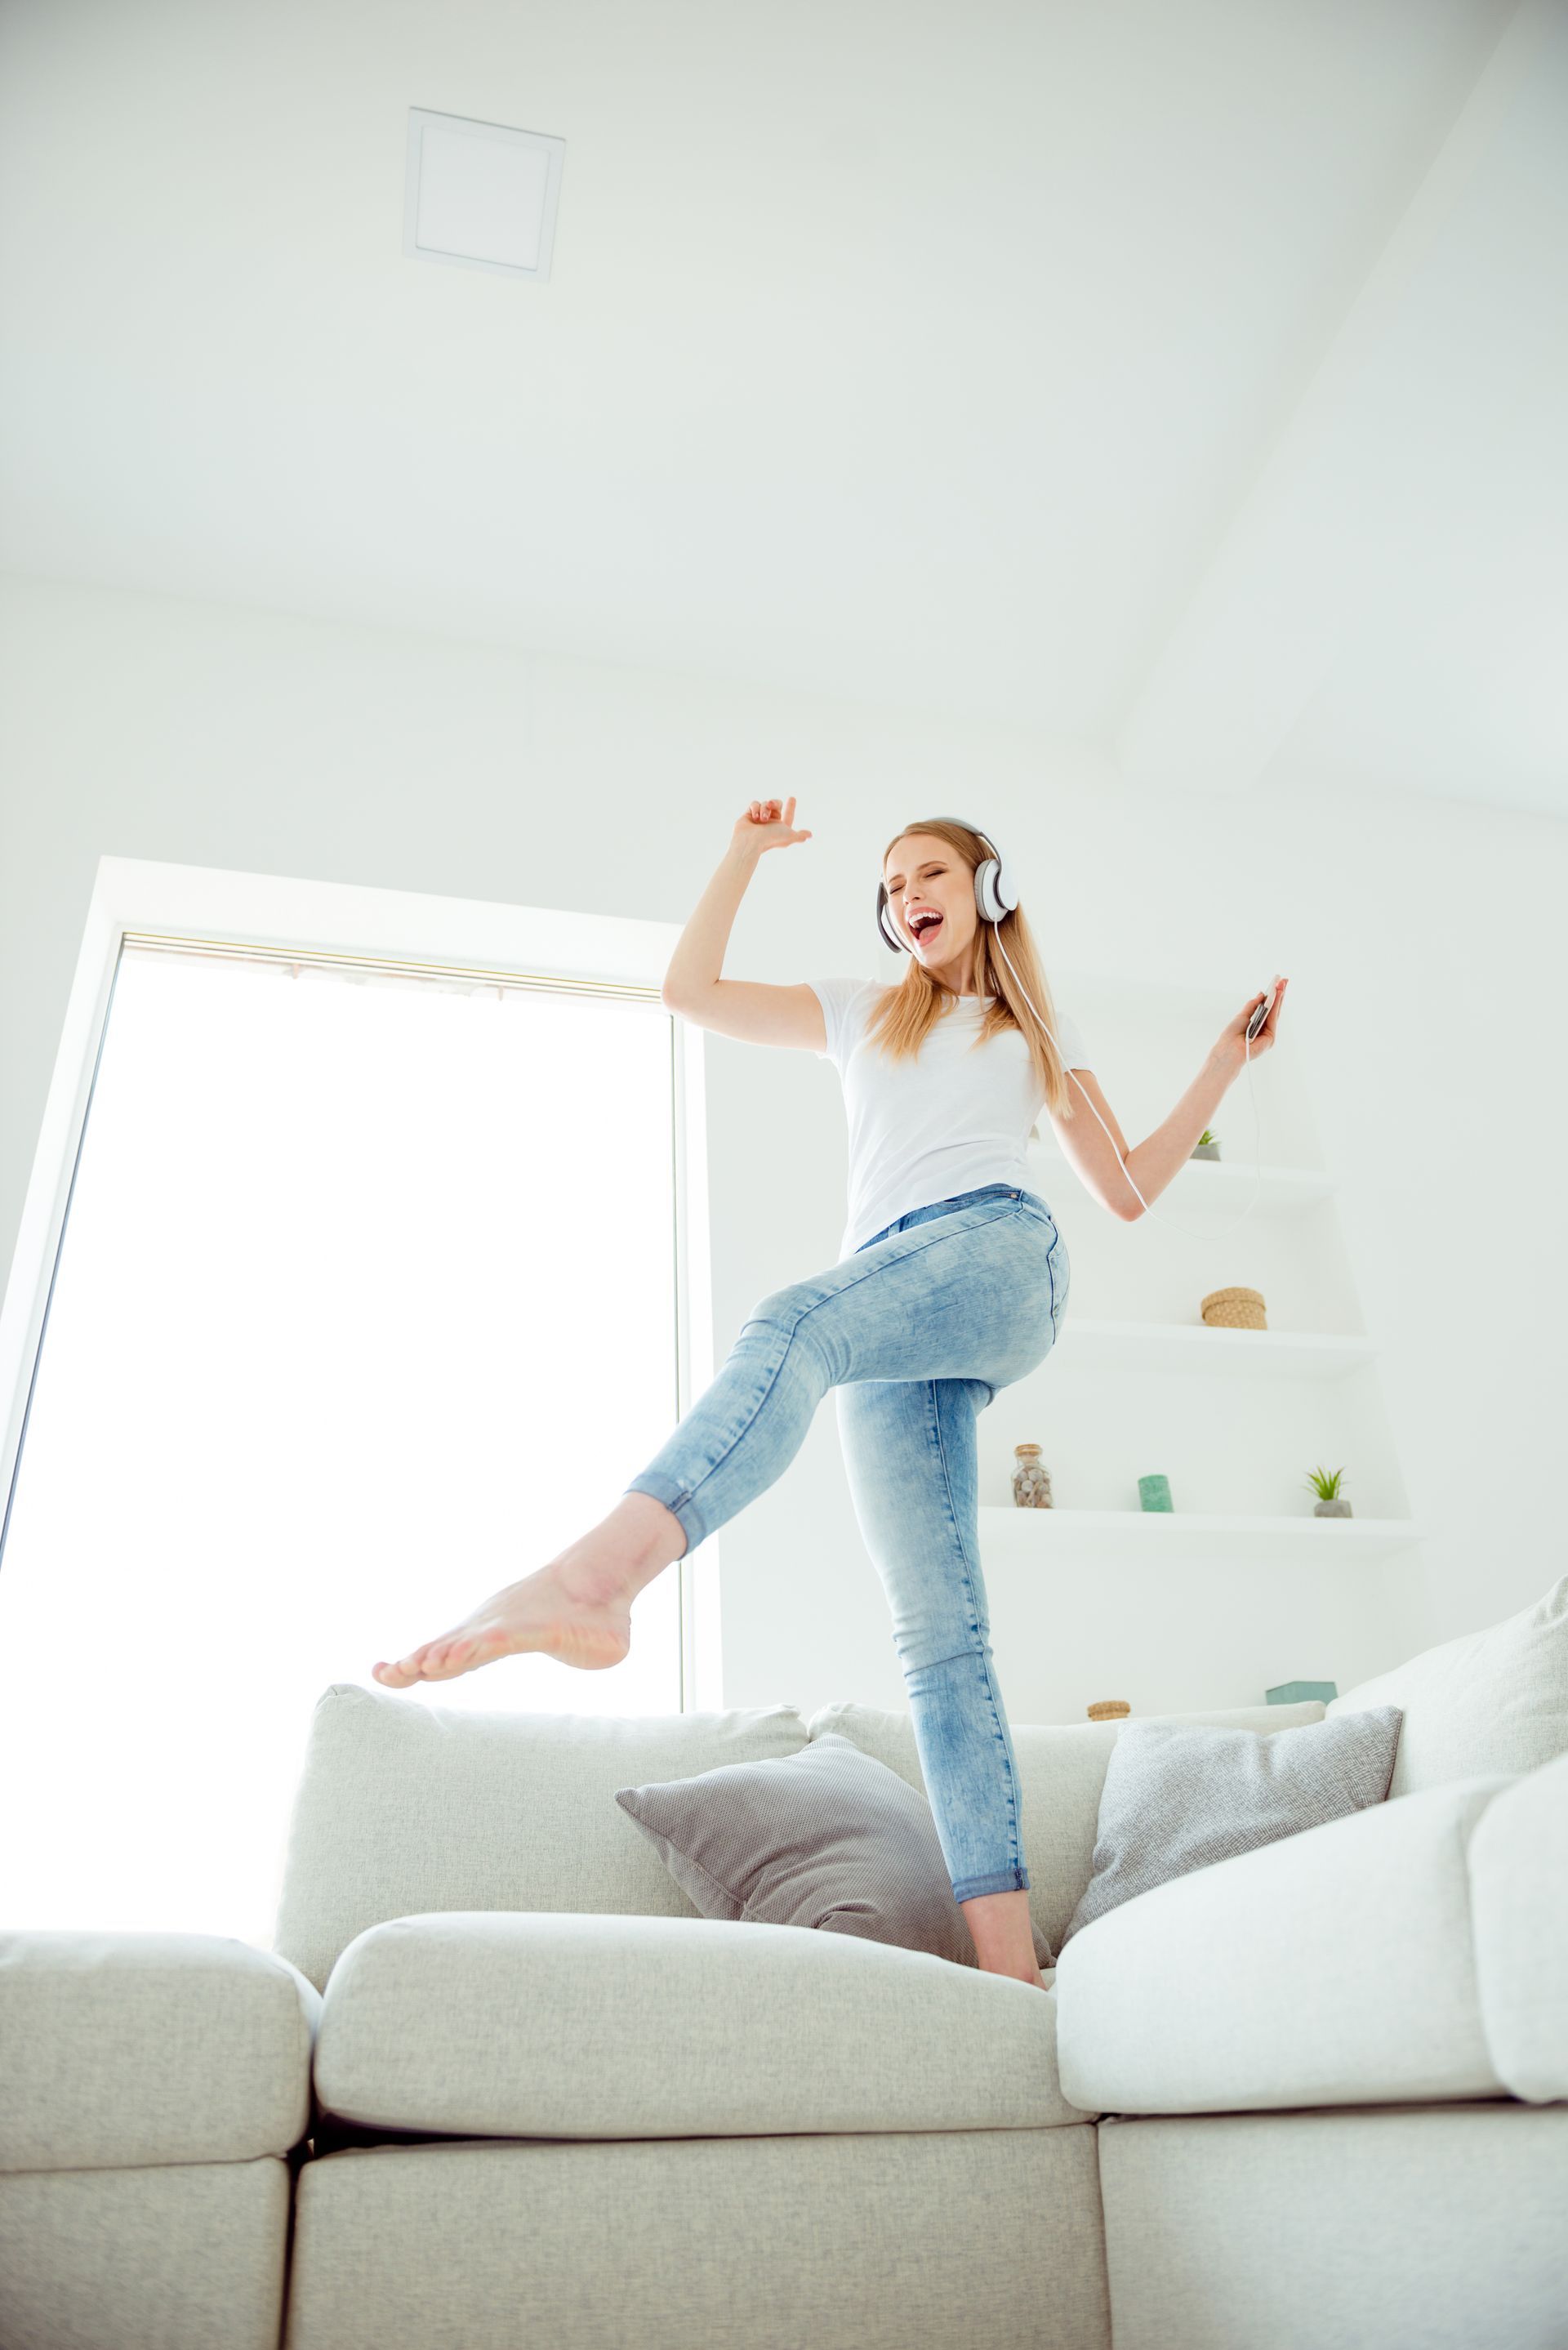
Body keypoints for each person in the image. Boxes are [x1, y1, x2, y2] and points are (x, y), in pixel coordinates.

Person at [372, 801, 1287, 1989]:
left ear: (987, 886)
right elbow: (689, 989)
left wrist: (1225, 1062)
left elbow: (1125, 1190)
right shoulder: (861, 1015)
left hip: (1002, 1255)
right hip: (892, 1303)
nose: (910, 891)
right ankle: (1014, 1974)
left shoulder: (1031, 1027)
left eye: (933, 870)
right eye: (893, 880)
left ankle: (595, 1579)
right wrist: (741, 856)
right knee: (940, 1647)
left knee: (790, 1321)